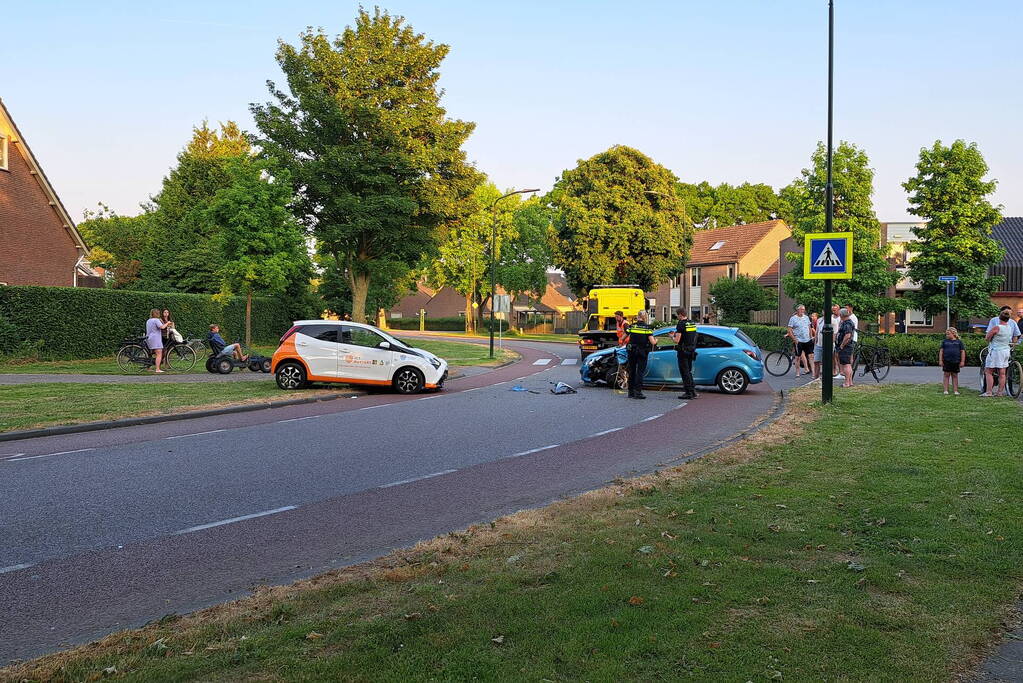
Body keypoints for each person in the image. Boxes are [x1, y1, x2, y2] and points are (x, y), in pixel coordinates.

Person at [982, 308, 1021, 397]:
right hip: (1005, 351)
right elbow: (1014, 336)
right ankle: (1000, 392)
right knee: (1002, 373)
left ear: (999, 318)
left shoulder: (997, 327)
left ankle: (989, 392)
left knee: (989, 371)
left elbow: (987, 338)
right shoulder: (1009, 327)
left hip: (996, 351)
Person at [624, 309, 656, 399]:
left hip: (631, 351)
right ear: (645, 317)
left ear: (638, 316)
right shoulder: (647, 328)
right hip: (642, 352)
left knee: (632, 371)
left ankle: (630, 392)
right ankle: (638, 392)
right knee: (640, 372)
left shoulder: (632, 326)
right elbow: (652, 342)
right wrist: (656, 340)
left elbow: (623, 337)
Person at [670, 307, 698, 400]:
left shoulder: (681, 324)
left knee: (684, 372)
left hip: (683, 351)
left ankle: (688, 392)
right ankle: (693, 391)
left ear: (680, 315)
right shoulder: (692, 323)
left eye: (677, 315)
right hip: (691, 350)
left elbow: (677, 340)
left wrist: (671, 336)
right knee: (688, 371)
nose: (677, 317)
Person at [786, 305, 813, 378]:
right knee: (798, 357)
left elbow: (809, 327)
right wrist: (794, 339)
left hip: (807, 340)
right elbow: (789, 329)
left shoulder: (806, 317)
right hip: (799, 340)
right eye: (801, 309)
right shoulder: (793, 318)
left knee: (810, 356)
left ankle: (813, 373)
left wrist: (810, 337)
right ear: (797, 310)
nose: (802, 311)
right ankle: (797, 373)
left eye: (803, 309)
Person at [939, 327, 966, 396]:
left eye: (948, 334)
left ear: (953, 333)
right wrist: (940, 360)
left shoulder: (959, 342)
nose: (947, 335)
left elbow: (962, 352)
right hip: (946, 361)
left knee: (955, 375)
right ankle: (945, 390)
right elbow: (941, 351)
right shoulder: (944, 342)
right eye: (946, 334)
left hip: (956, 361)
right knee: (946, 375)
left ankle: (955, 390)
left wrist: (962, 361)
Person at [145, 308, 171, 373]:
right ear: (157, 314)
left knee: (151, 353)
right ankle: (157, 369)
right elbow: (162, 327)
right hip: (155, 339)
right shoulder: (156, 320)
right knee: (159, 353)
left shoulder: (148, 320)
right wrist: (167, 323)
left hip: (149, 338)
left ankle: (148, 367)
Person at [835, 307, 856, 388]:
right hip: (847, 346)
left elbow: (847, 335)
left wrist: (842, 345)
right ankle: (850, 382)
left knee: (846, 365)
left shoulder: (847, 323)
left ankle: (846, 383)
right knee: (848, 364)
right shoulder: (847, 322)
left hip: (846, 347)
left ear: (842, 315)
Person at [812, 311, 826, 379]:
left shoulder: (832, 320)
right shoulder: (819, 320)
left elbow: (834, 333)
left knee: (825, 362)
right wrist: (815, 343)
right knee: (816, 361)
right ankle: (816, 377)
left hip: (827, 345)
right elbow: (817, 331)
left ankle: (825, 377)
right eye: (823, 311)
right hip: (818, 344)